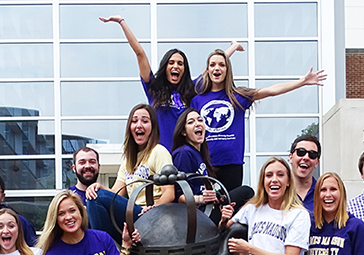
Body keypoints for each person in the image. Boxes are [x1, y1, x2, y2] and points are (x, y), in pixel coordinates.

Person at [191, 49, 325, 191]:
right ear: (207, 70)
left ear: (227, 70)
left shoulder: (238, 96)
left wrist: (302, 82)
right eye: (212, 65)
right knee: (204, 207)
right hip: (206, 162)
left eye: (222, 65)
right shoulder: (197, 100)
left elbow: (271, 91)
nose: (217, 68)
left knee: (231, 205)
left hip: (232, 164)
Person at [101, 16, 241, 149]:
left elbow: (212, 67)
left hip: (185, 155)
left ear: (184, 68)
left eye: (180, 63)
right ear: (165, 66)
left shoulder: (191, 88)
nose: (176, 66)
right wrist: (121, 21)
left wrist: (234, 47)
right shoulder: (154, 88)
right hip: (161, 156)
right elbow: (140, 54)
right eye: (171, 62)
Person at [85, 105, 174, 242]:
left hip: (151, 214)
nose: (139, 125)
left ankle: (102, 246)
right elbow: (116, 194)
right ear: (129, 127)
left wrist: (153, 209)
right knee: (94, 198)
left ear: (153, 127)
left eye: (145, 121)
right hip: (134, 214)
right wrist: (99, 188)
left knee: (97, 198)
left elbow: (169, 192)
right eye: (134, 121)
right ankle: (106, 244)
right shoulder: (128, 159)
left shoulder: (159, 152)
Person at [170, 108, 252, 222]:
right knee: (247, 192)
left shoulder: (200, 155)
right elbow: (179, 196)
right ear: (183, 132)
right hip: (198, 216)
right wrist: (201, 199)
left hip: (207, 208)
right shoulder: (184, 153)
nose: (197, 124)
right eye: (191, 122)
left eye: (200, 120)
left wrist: (216, 197)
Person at [289, 135, 321, 211]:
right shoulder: (278, 193)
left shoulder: (324, 194)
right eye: (301, 152)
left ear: (317, 162)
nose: (306, 157)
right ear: (290, 158)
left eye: (312, 154)